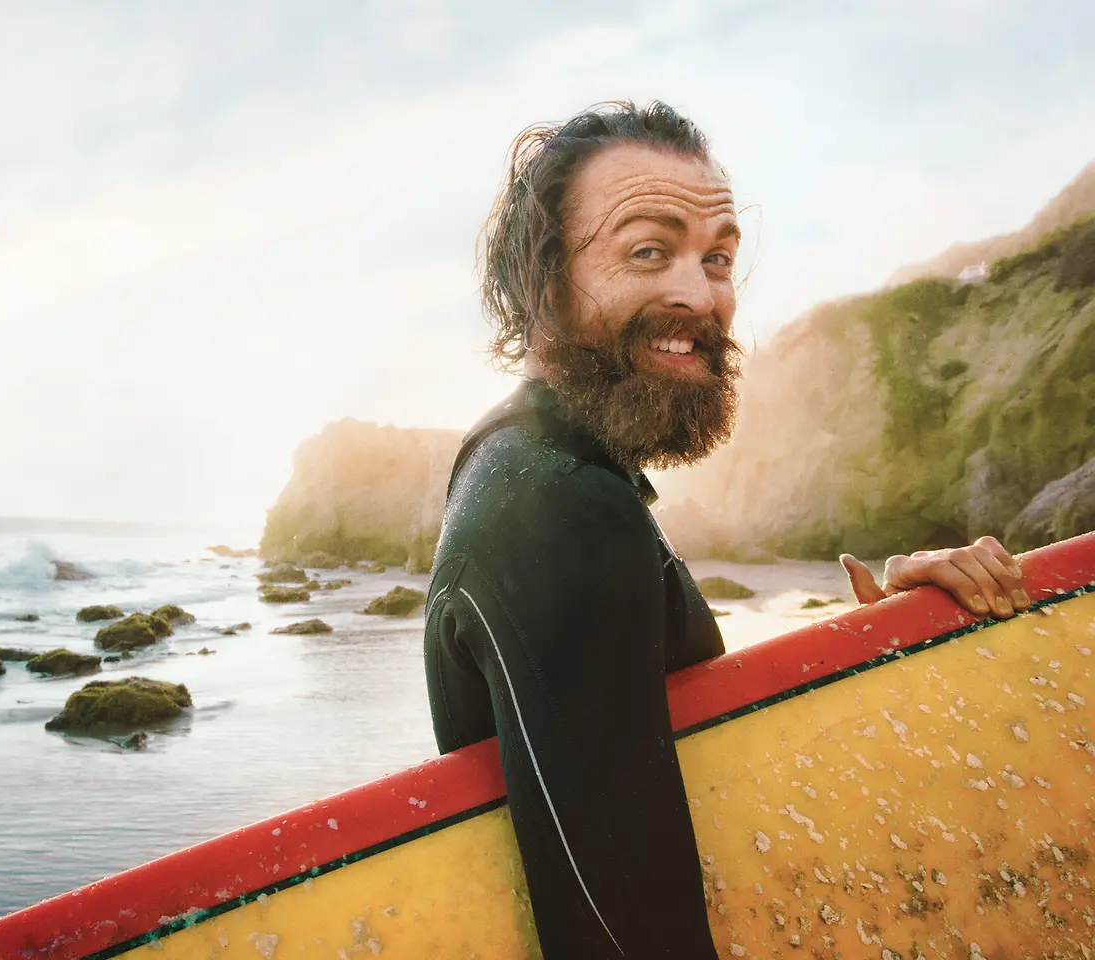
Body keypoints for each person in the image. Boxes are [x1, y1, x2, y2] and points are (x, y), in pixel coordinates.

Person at [422, 101, 1031, 958]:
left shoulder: (523, 460)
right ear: (540, 277)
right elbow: (618, 929)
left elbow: (658, 753)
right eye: (647, 251)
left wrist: (874, 641)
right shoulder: (561, 505)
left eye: (718, 258)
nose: (698, 294)